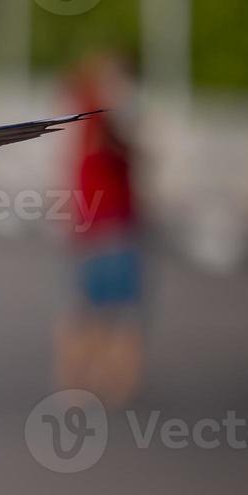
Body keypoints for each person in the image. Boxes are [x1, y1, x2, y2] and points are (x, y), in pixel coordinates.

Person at [56, 54, 145, 407]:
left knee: (90, 314)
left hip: (98, 231)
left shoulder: (84, 131)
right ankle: (106, 385)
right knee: (114, 316)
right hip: (111, 232)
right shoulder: (101, 123)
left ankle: (82, 383)